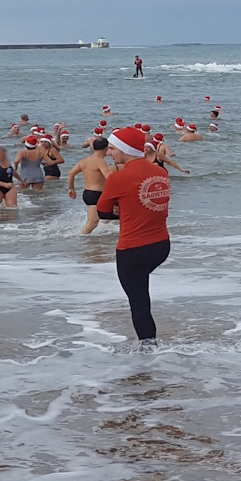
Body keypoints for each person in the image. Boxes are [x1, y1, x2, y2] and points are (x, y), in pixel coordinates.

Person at [97, 127, 172, 344]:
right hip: (161, 245)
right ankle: (150, 347)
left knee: (139, 304)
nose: (108, 152)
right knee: (141, 294)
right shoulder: (161, 172)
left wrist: (121, 208)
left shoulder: (118, 178)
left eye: (112, 148)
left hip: (133, 250)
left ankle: (149, 352)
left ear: (125, 149)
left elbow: (103, 212)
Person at [71, 137, 117, 233]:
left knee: (100, 219)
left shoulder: (84, 161)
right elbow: (109, 177)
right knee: (93, 223)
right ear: (106, 149)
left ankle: (99, 236)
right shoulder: (101, 161)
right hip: (95, 194)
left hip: (88, 193)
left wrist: (71, 188)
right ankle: (82, 238)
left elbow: (71, 173)